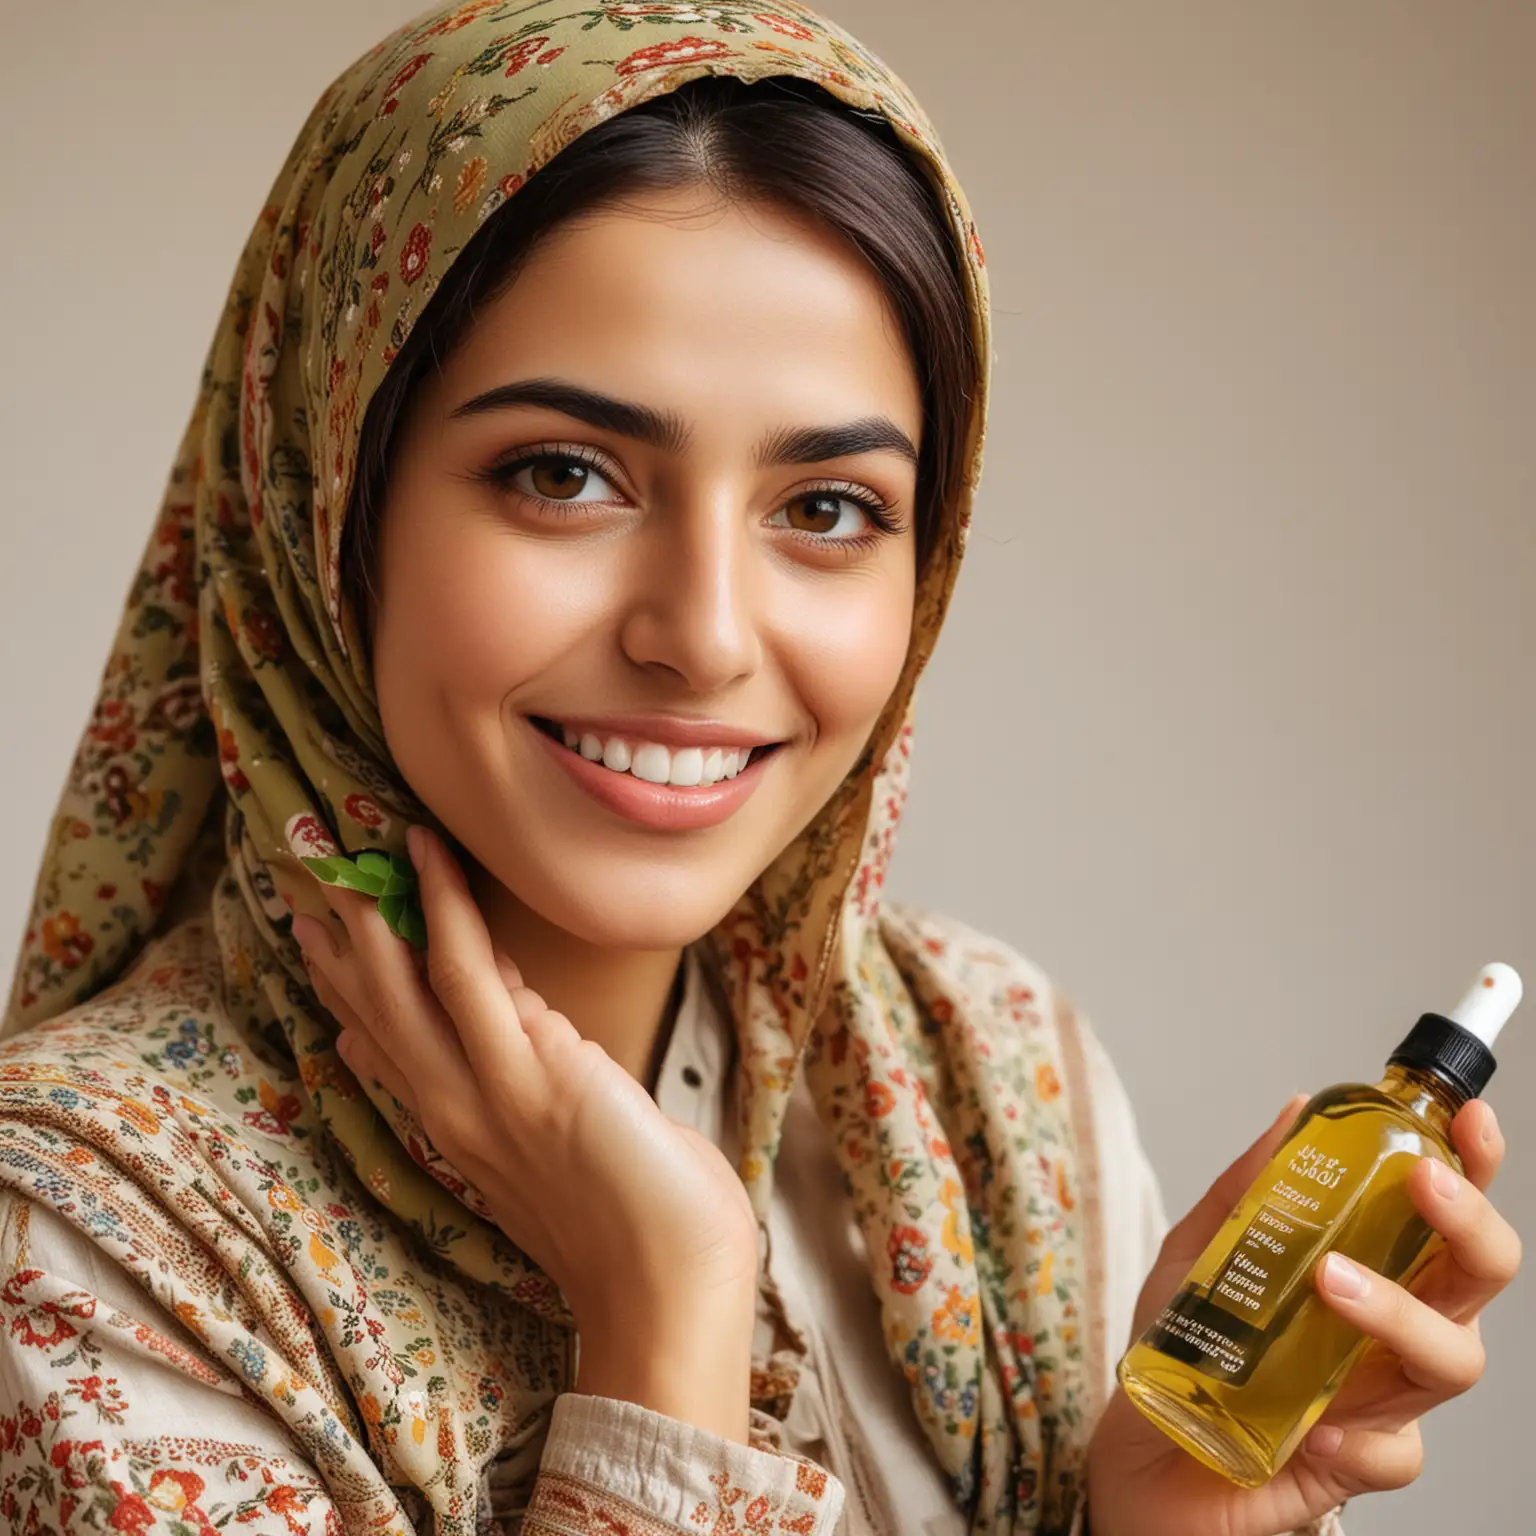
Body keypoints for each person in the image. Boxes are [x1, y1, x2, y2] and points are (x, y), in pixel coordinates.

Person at [0, 4, 1520, 1534]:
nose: (706, 637)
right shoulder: (86, 1249)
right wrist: (665, 1315)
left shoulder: (996, 1089)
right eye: (564, 475)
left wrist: (1153, 1522)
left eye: (828, 507)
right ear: (326, 500)